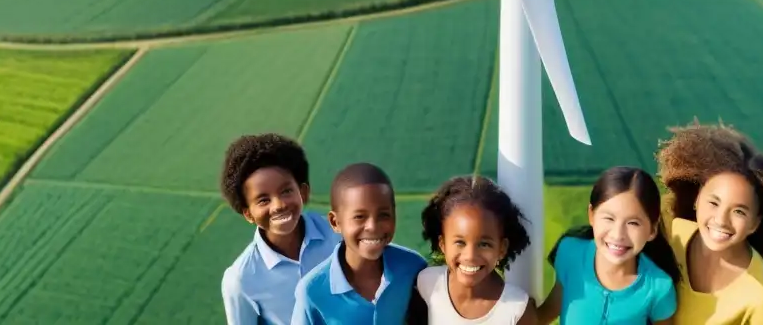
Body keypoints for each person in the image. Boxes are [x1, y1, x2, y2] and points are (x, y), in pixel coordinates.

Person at [655, 121, 763, 325]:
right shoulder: (667, 230)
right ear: (697, 199)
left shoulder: (761, 300)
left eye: (739, 211)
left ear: (755, 223)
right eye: (714, 202)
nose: (721, 220)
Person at [219, 133, 340, 325]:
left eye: (286, 191)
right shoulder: (240, 280)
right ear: (248, 214)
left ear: (303, 192)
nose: (279, 205)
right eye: (263, 200)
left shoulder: (341, 234)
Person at [536, 166, 680, 325]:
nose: (618, 235)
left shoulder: (659, 287)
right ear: (591, 215)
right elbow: (547, 311)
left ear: (652, 229)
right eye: (609, 219)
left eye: (633, 223)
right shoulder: (570, 253)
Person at [290, 162, 427, 324]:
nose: (373, 226)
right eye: (359, 217)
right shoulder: (312, 292)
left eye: (383, 215)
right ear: (335, 222)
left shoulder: (412, 267)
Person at [416, 174, 538, 324]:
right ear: (443, 245)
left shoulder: (518, 310)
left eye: (484, 244)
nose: (470, 256)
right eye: (460, 242)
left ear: (501, 248)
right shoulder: (427, 283)